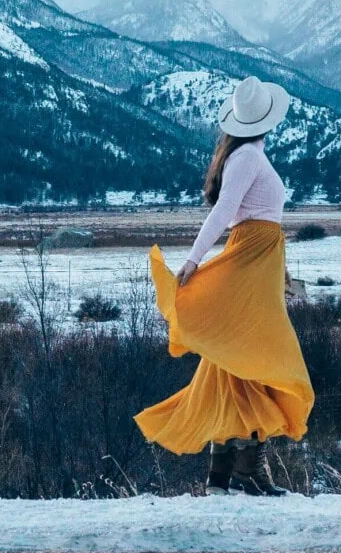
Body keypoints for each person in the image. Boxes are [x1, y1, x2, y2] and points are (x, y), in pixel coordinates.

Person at [133, 75, 314, 497]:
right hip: (250, 262)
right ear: (266, 119)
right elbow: (225, 213)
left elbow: (253, 218)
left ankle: (224, 472)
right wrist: (193, 260)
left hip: (260, 264)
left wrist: (281, 272)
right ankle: (247, 469)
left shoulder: (248, 155)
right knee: (258, 356)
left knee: (236, 360)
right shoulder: (248, 156)